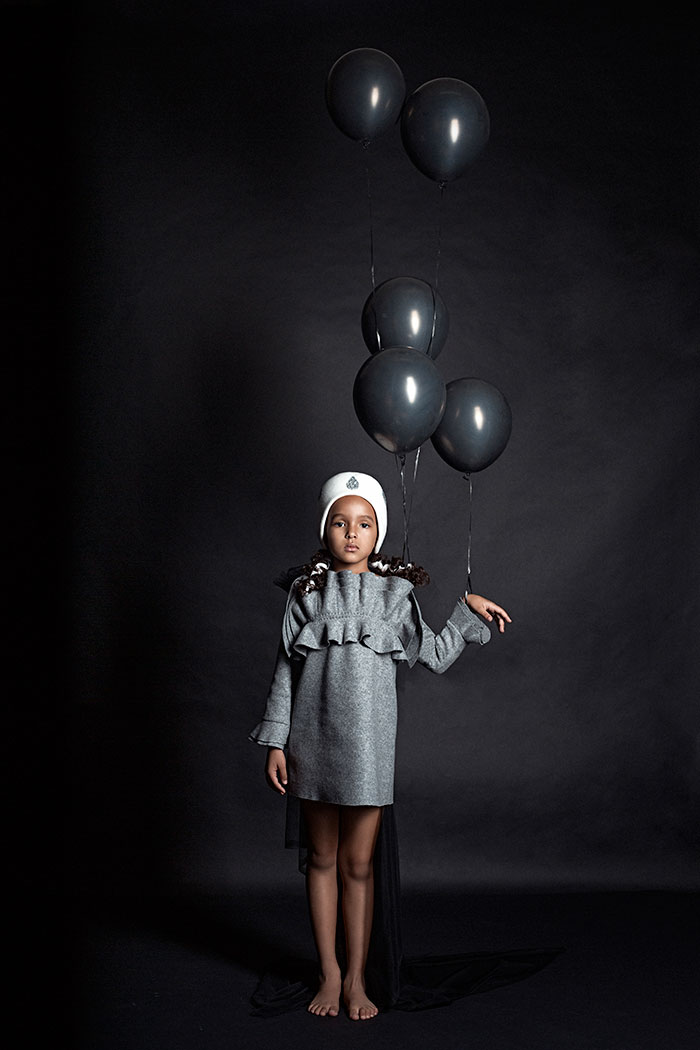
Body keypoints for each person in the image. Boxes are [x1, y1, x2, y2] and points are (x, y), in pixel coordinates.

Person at [249, 471, 511, 1021]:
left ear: (378, 532)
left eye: (364, 524)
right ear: (325, 530)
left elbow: (433, 654)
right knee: (321, 859)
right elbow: (285, 669)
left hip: (368, 748)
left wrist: (466, 611)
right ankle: (329, 971)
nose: (352, 533)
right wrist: (275, 740)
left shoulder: (396, 595)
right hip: (310, 740)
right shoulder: (307, 592)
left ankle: (357, 978)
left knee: (358, 864)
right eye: (340, 523)